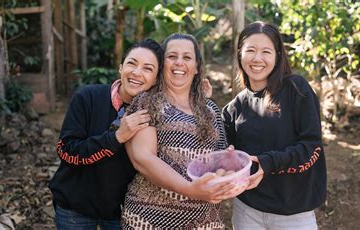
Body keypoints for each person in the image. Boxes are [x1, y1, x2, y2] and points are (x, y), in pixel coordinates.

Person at [121, 33, 238, 229]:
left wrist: (228, 167)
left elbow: (219, 160)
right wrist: (190, 190)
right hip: (150, 219)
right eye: (172, 56)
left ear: (197, 67)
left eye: (187, 57)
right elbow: (142, 159)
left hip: (205, 221)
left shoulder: (211, 109)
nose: (179, 63)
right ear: (162, 64)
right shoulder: (147, 102)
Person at [48, 39, 164, 229]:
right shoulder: (88, 97)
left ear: (156, 79)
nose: (136, 72)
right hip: (75, 210)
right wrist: (117, 137)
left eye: (147, 68)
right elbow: (66, 152)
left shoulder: (154, 115)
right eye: (132, 63)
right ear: (120, 68)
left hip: (120, 212)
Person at [222, 21, 327, 229]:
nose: (257, 58)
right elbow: (229, 155)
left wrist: (267, 164)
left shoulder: (297, 89)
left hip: (294, 213)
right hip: (247, 211)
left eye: (266, 52)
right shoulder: (234, 108)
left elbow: (311, 147)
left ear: (278, 56)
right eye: (250, 50)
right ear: (240, 54)